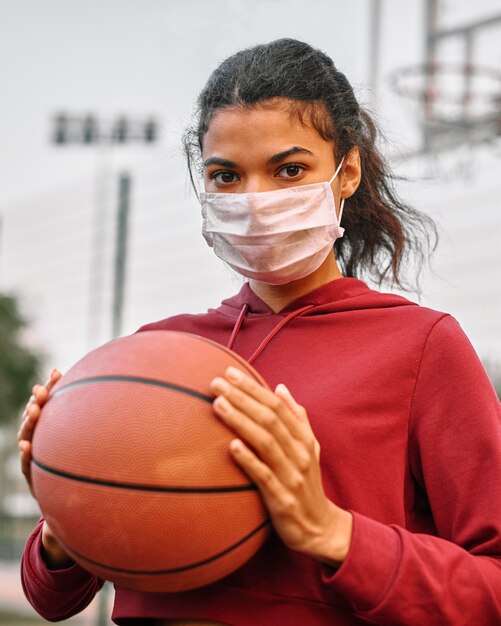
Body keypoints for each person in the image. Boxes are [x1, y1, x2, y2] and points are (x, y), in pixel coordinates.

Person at [18, 38, 501, 626]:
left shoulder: (421, 346)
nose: (254, 201)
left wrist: (331, 531)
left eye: (289, 170)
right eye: (226, 175)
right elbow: (51, 599)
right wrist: (65, 509)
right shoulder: (156, 353)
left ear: (346, 172)